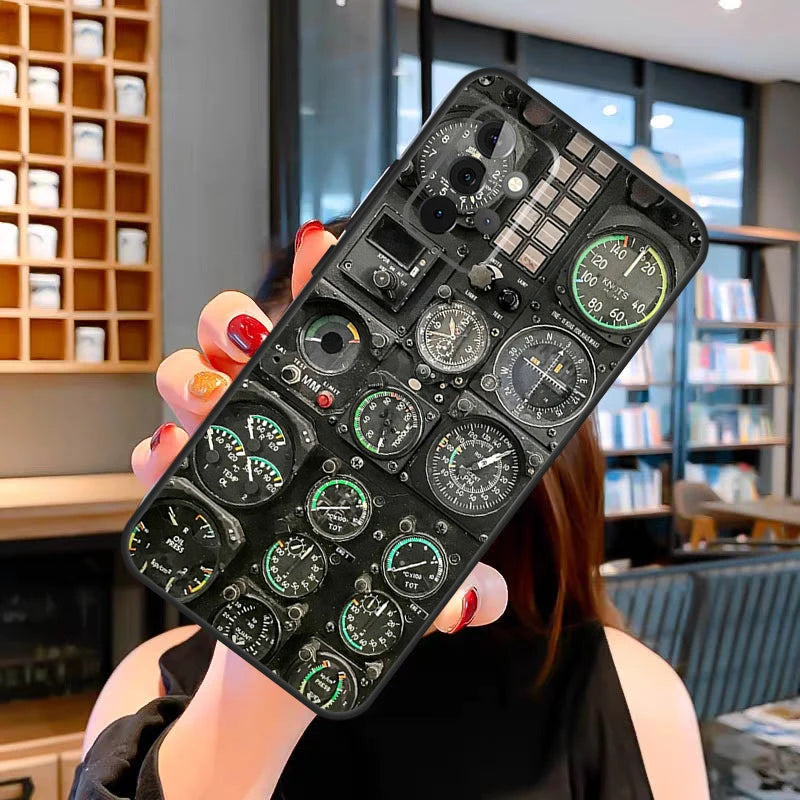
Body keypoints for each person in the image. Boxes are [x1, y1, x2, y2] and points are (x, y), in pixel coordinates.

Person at [70, 221, 709, 800]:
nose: (362, 465)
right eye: (321, 390)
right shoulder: (153, 686)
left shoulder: (631, 700)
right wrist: (262, 664)